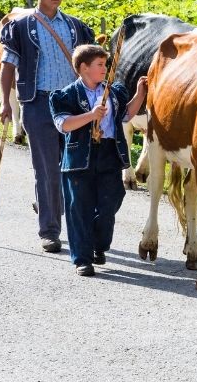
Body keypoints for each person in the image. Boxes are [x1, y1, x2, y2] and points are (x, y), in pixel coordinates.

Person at [0, 0, 94, 253]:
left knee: (74, 168)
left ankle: (51, 205)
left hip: (72, 106)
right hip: (38, 104)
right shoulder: (20, 27)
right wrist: (5, 101)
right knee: (47, 169)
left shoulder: (77, 28)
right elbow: (8, 67)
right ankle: (50, 231)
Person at [50, 44, 148, 276]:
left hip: (109, 155)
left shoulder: (113, 92)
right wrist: (91, 115)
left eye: (106, 64)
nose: (105, 69)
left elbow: (125, 115)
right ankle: (82, 259)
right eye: (100, 65)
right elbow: (64, 125)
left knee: (110, 203)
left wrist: (141, 93)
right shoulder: (66, 95)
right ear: (84, 68)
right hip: (78, 158)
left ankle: (98, 244)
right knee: (79, 209)